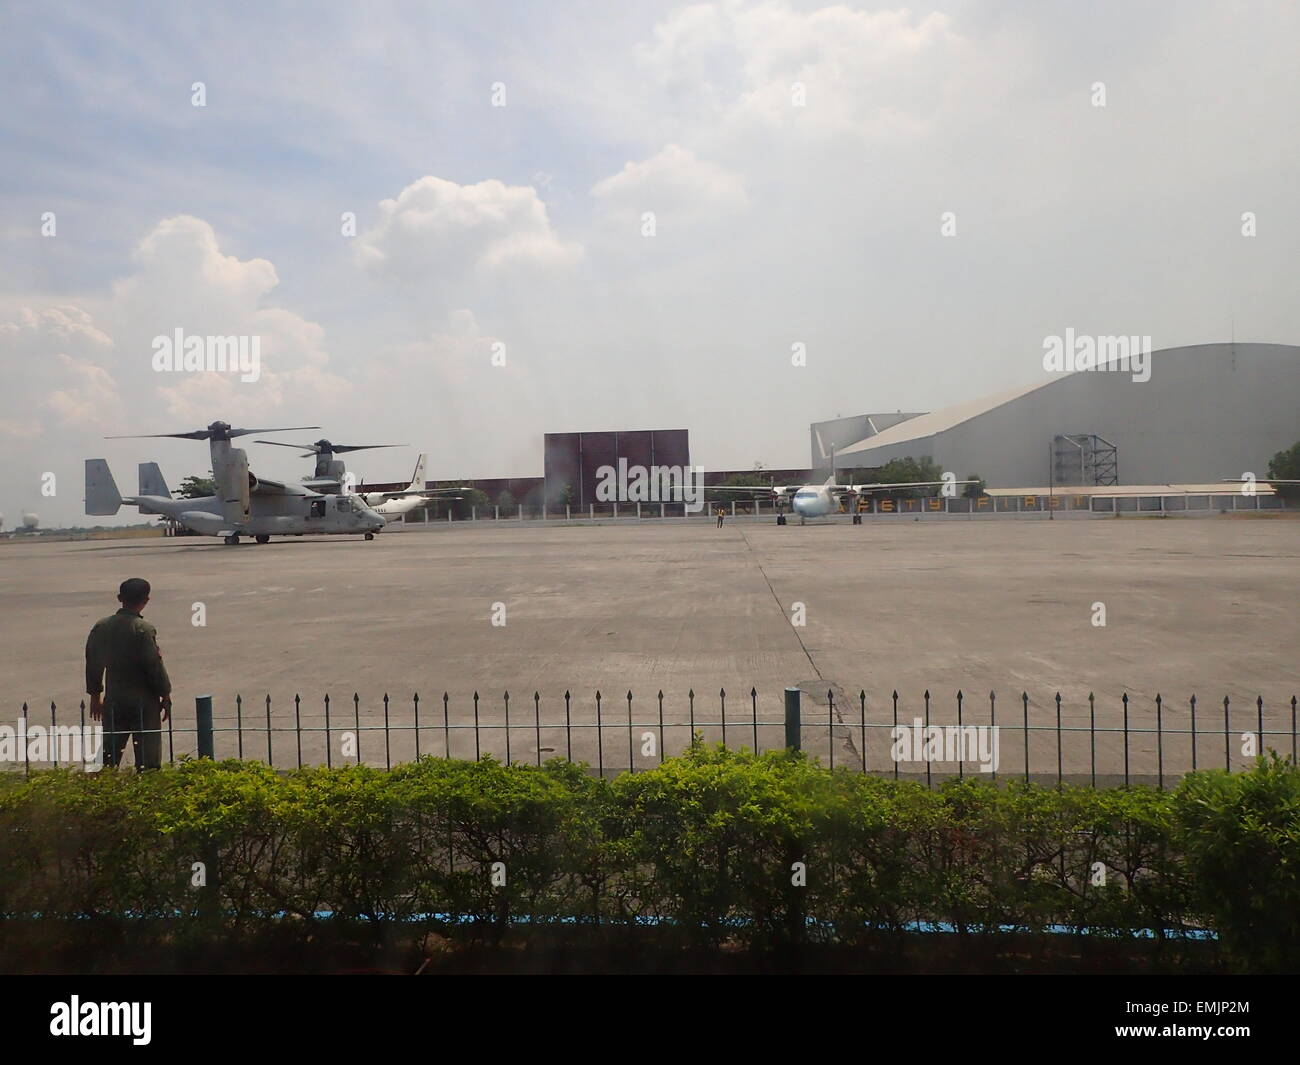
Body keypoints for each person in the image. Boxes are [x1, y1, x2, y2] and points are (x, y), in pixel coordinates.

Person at [85, 577, 172, 770]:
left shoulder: (102, 626)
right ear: (146, 600)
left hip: (115, 698)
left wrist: (95, 695)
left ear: (119, 598)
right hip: (144, 700)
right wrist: (165, 694)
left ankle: (103, 789)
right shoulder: (143, 629)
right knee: (148, 758)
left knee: (109, 753)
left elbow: (93, 662)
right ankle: (147, 791)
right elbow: (153, 666)